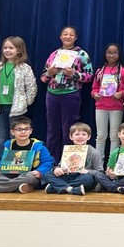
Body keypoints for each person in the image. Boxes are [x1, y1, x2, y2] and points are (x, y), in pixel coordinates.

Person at [39, 26, 93, 161]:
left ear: (75, 37)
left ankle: (69, 161)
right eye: (65, 34)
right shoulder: (54, 54)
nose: (68, 37)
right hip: (52, 94)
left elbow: (89, 76)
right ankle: (51, 161)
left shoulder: (81, 55)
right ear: (60, 37)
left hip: (70, 94)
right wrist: (49, 73)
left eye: (71, 34)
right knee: (52, 129)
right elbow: (43, 78)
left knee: (69, 130)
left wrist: (73, 74)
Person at [0, 116, 53, 193]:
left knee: (29, 178)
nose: (23, 132)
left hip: (29, 174)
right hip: (10, 174)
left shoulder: (39, 146)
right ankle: (20, 187)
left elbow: (48, 162)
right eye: (19, 129)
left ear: (31, 131)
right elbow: (4, 161)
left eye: (26, 129)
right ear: (12, 132)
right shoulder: (9, 145)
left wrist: (39, 171)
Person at [0, 36, 37, 150]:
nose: (7, 50)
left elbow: (32, 88)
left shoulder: (25, 68)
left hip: (16, 107)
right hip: (0, 105)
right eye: (5, 48)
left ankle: (14, 162)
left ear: (19, 50)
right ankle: (1, 163)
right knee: (2, 135)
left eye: (11, 48)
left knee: (15, 135)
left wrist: (25, 102)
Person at [44, 122, 103, 195]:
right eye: (77, 134)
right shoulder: (68, 150)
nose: (80, 137)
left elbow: (100, 172)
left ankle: (56, 187)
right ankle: (71, 189)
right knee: (47, 174)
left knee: (88, 179)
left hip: (82, 178)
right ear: (71, 137)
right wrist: (56, 169)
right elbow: (60, 166)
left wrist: (87, 171)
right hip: (68, 175)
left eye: (84, 134)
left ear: (89, 137)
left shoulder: (93, 152)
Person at [90, 43, 124, 158]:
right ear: (105, 54)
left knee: (114, 136)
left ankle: (112, 163)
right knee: (101, 135)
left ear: (119, 54)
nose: (112, 55)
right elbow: (94, 88)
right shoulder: (100, 71)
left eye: (115, 53)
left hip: (116, 107)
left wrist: (121, 93)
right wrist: (94, 94)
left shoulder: (123, 72)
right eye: (109, 53)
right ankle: (99, 163)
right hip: (101, 106)